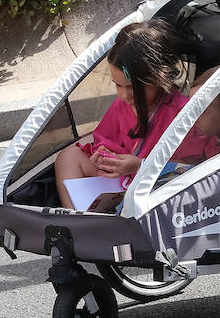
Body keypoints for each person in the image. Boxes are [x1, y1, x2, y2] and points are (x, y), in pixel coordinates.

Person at [54, 20, 192, 209]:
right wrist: (103, 155)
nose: (124, 95)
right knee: (69, 156)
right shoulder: (122, 104)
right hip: (120, 181)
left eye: (133, 87)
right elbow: (104, 139)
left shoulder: (182, 113)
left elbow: (189, 170)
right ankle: (76, 223)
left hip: (154, 192)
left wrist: (139, 166)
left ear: (160, 75)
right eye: (117, 85)